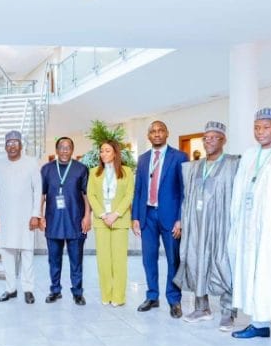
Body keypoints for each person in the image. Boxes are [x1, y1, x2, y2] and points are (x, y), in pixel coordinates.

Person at [229, 108, 271, 346]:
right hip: (249, 227)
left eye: (266, 127)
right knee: (253, 274)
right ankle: (259, 324)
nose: (260, 132)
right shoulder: (250, 154)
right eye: (256, 127)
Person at [174, 121, 239, 331]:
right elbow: (186, 197)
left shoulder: (233, 163)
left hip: (221, 224)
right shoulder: (194, 167)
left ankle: (228, 312)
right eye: (206, 138)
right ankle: (202, 307)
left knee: (223, 263)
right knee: (195, 261)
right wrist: (183, 220)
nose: (208, 141)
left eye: (214, 137)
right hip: (196, 223)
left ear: (223, 140)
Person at [132, 121, 187, 318]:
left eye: (160, 130)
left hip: (171, 218)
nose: (157, 134)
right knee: (149, 259)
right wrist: (135, 217)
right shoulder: (143, 159)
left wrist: (181, 219)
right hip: (147, 215)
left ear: (167, 133)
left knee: (174, 259)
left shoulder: (179, 157)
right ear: (149, 136)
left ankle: (174, 300)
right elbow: (138, 189)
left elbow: (184, 191)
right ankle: (152, 296)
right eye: (153, 131)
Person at [0, 131, 41, 304]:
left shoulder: (31, 163)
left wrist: (36, 215)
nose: (12, 146)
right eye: (9, 143)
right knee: (7, 253)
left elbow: (38, 191)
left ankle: (28, 289)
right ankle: (10, 289)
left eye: (15, 143)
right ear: (5, 146)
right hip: (5, 216)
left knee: (27, 253)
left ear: (21, 145)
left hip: (26, 218)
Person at [40, 137, 91, 306]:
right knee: (54, 260)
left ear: (72, 150)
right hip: (53, 220)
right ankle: (55, 290)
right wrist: (40, 216)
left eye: (68, 147)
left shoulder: (81, 169)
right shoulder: (46, 169)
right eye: (61, 147)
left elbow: (86, 195)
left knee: (76, 260)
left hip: (75, 220)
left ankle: (77, 292)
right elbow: (42, 195)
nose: (64, 150)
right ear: (56, 149)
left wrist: (87, 216)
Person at [87, 140, 134, 307]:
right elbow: (91, 195)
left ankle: (118, 297)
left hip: (120, 221)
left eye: (107, 150)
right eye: (101, 151)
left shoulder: (127, 171)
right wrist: (102, 214)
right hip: (101, 221)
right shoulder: (94, 173)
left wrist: (115, 214)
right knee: (103, 261)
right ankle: (106, 295)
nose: (103, 154)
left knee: (119, 260)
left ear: (115, 152)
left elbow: (129, 195)